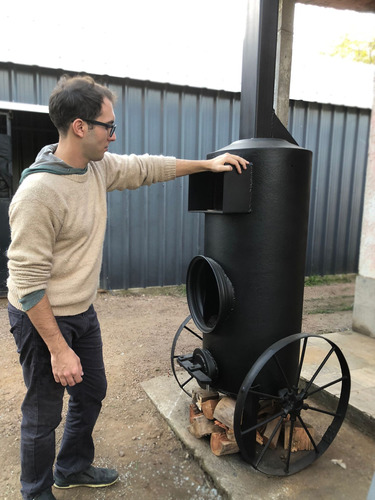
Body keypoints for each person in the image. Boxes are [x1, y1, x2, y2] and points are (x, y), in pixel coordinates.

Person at [7, 74, 248, 500]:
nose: (114, 136)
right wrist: (59, 349)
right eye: (109, 126)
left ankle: (72, 468)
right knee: (43, 414)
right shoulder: (38, 193)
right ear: (80, 127)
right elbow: (27, 285)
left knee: (92, 391)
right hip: (42, 317)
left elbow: (146, 167)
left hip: (81, 310)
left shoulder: (95, 167)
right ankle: (35, 493)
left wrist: (206, 165)